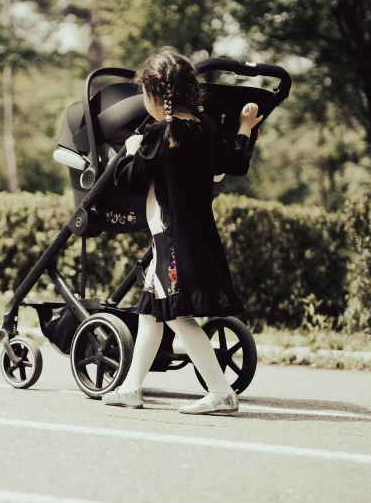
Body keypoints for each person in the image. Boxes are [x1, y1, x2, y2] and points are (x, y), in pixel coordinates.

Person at [101, 47, 262, 415]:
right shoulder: (203, 128)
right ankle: (131, 387)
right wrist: (244, 130)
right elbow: (234, 163)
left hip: (170, 240)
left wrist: (128, 150)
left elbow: (129, 182)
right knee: (149, 314)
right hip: (194, 235)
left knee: (177, 316)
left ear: (154, 96)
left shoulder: (160, 134)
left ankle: (220, 393)